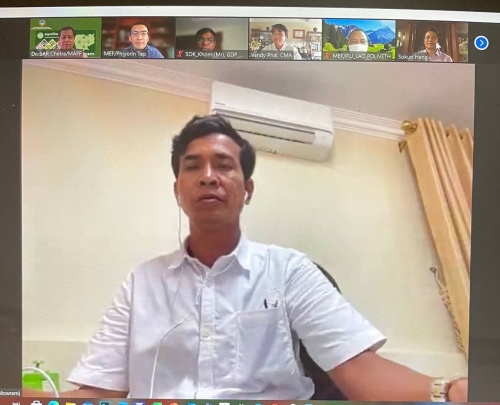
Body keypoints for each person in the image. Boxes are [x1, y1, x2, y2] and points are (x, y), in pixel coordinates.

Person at [23, 114, 468, 401]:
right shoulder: (143, 281)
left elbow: (359, 369)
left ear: (247, 189)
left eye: (223, 165)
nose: (208, 177)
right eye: (192, 166)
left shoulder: (289, 270)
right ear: (178, 191)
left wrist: (448, 390)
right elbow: (98, 392)